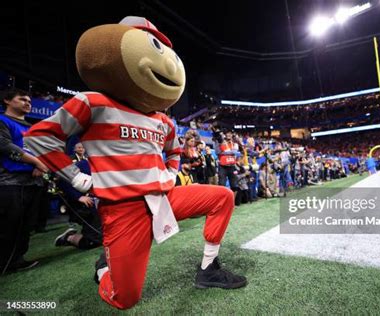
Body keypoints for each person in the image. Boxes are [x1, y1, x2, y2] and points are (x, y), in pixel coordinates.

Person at [24, 17, 246, 310]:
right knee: (125, 299)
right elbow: (39, 137)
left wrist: (170, 171)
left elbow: (175, 150)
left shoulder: (163, 120)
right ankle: (104, 270)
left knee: (222, 197)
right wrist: (78, 179)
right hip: (123, 207)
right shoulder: (93, 102)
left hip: (165, 197)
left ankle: (209, 269)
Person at [0, 88, 48, 273]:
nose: (28, 103)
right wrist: (36, 161)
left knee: (25, 224)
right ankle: (5, 262)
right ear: (7, 100)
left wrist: (38, 165)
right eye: (22, 99)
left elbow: (38, 149)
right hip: (9, 182)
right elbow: (4, 145)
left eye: (29, 100)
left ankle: (17, 259)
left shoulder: (30, 126)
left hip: (32, 182)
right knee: (8, 224)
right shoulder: (2, 120)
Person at [54, 159, 102, 250]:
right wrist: (78, 197)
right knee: (94, 241)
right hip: (88, 206)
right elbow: (62, 180)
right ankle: (69, 238)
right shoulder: (83, 164)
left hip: (102, 206)